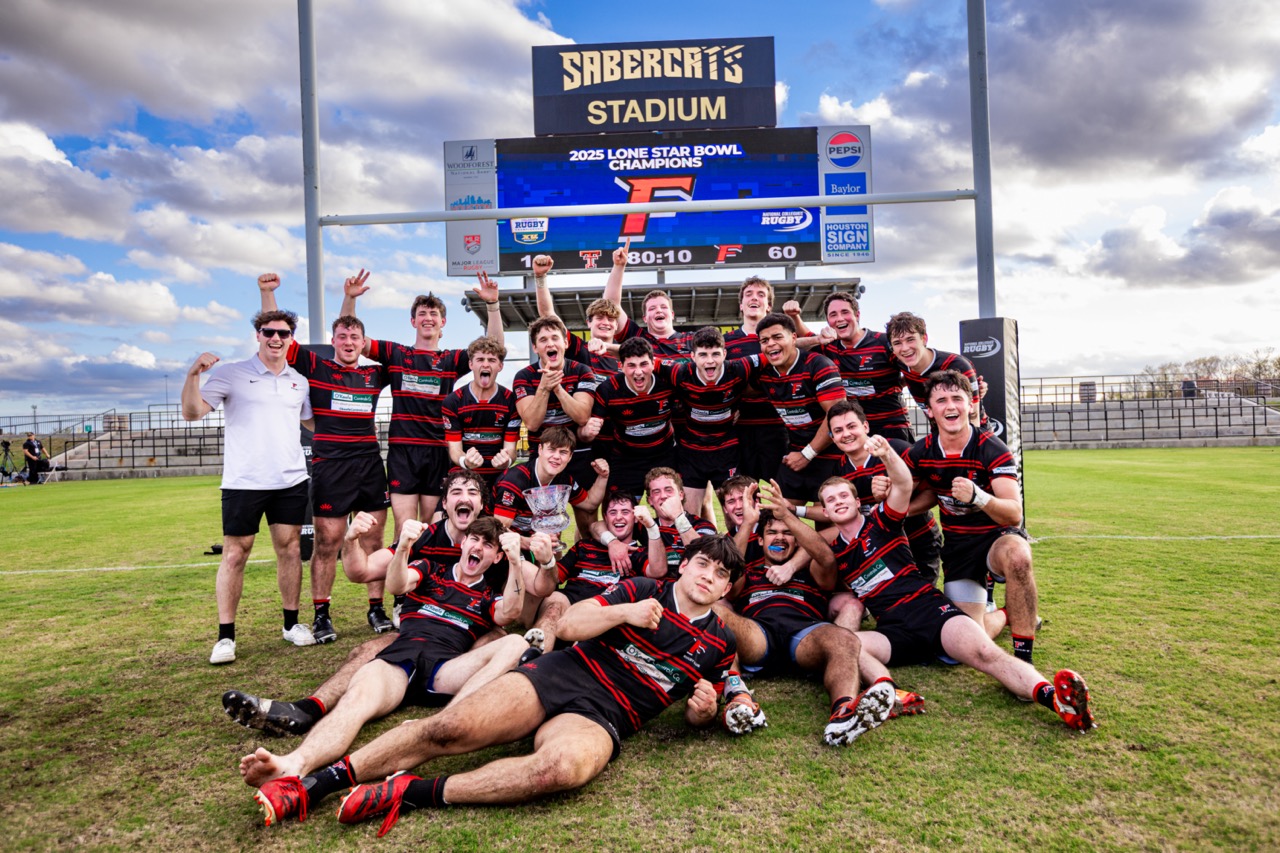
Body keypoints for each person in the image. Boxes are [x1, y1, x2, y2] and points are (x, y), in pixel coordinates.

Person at [249, 535, 765, 835]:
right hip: (562, 674)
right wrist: (625, 612)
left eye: (721, 574)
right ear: (685, 565)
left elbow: (719, 700)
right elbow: (570, 624)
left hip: (605, 717)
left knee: (562, 770)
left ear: (727, 586)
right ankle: (314, 784)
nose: (708, 576)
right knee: (447, 729)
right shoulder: (643, 588)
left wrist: (701, 712)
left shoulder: (720, 641)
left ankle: (411, 791)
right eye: (702, 564)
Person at [239, 517, 558, 816]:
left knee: (515, 643)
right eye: (474, 539)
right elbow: (397, 584)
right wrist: (404, 546)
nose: (478, 547)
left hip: (445, 668)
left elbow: (509, 613)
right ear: (463, 543)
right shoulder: (431, 568)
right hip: (400, 658)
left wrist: (515, 561)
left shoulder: (488, 594)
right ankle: (293, 765)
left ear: (496, 557)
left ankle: (444, 719)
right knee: (354, 703)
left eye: (488, 545)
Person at [818, 434, 1094, 733]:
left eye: (843, 496)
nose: (838, 502)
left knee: (986, 653)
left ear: (857, 501)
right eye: (831, 500)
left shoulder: (881, 520)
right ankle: (891, 693)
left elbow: (904, 485)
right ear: (825, 513)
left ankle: (1058, 701)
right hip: (893, 630)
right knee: (847, 644)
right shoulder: (833, 551)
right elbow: (804, 546)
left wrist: (886, 454)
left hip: (931, 613)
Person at [221, 470, 502, 735]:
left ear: (481, 505)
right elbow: (361, 571)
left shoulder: (496, 545)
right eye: (456, 492)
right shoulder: (425, 536)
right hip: (422, 627)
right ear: (445, 503)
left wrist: (530, 554)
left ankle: (449, 710)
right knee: (368, 649)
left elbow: (519, 597)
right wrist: (352, 538)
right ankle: (307, 708)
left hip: (467, 629)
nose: (464, 497)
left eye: (472, 493)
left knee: (498, 639)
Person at [260, 271, 395, 639]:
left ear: (364, 343)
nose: (348, 342)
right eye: (342, 337)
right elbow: (278, 334)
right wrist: (268, 292)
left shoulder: (375, 374)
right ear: (332, 341)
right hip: (331, 468)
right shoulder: (317, 367)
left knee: (373, 541)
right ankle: (322, 614)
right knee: (326, 543)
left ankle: (376, 608)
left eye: (355, 337)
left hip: (369, 466)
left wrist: (351, 300)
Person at [180, 306, 314, 665]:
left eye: (283, 333)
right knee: (235, 554)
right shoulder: (232, 373)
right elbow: (192, 413)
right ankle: (225, 637)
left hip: (290, 479)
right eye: (269, 332)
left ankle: (291, 624)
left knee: (290, 550)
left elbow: (314, 423)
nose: (276, 338)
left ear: (291, 338)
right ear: (258, 335)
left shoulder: (299, 381)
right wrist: (193, 375)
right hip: (244, 481)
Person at [712, 491, 894, 746]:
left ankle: (844, 713)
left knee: (844, 638)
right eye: (772, 532)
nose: (780, 538)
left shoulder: (810, 570)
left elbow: (826, 557)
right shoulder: (749, 571)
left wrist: (789, 516)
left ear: (798, 540)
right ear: (760, 540)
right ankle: (738, 696)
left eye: (788, 533)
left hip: (805, 635)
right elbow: (729, 571)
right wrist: (748, 523)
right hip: (758, 633)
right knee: (715, 613)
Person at [338, 271, 505, 541]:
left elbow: (494, 347)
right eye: (422, 313)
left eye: (434, 314)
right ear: (413, 321)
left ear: (443, 322)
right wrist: (350, 299)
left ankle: (425, 569)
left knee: (430, 528)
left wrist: (492, 305)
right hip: (403, 452)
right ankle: (401, 570)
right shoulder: (397, 354)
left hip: (437, 452)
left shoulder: (450, 360)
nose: (428, 318)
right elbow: (352, 336)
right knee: (404, 527)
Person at [902, 371, 1041, 660]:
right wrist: (885, 486)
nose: (950, 406)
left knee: (1018, 555)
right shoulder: (921, 452)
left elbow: (1014, 514)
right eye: (941, 400)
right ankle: (1008, 613)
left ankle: (1023, 658)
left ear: (970, 404)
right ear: (929, 410)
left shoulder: (992, 448)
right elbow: (909, 492)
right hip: (959, 548)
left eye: (957, 398)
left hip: (996, 538)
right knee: (961, 646)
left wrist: (978, 496)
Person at [791, 290, 914, 442]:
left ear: (857, 315)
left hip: (892, 426)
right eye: (833, 314)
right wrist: (813, 336)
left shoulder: (883, 342)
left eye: (845, 312)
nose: (840, 318)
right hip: (855, 429)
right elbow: (790, 347)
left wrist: (898, 384)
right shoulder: (828, 346)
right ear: (828, 321)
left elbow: (914, 368)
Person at [753, 312, 846, 502]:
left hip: (830, 454)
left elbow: (837, 415)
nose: (771, 344)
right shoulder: (763, 373)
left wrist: (807, 454)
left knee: (829, 514)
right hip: (795, 453)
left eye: (777, 337)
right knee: (780, 513)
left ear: (794, 338)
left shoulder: (818, 365)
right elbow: (739, 390)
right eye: (764, 340)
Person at [668, 326, 758, 515]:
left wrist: (816, 339)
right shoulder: (680, 373)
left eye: (715, 354)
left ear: (725, 354)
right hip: (691, 452)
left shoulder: (738, 369)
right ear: (692, 356)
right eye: (703, 355)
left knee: (737, 513)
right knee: (690, 516)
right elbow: (641, 359)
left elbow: (781, 349)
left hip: (726, 450)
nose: (710, 360)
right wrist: (607, 347)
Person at [580, 337, 678, 500]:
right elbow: (586, 434)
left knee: (670, 507)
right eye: (631, 365)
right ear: (621, 366)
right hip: (627, 459)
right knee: (619, 509)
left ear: (653, 364)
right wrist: (586, 432)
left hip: (664, 454)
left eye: (643, 364)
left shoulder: (668, 381)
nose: (638, 372)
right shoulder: (608, 389)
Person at [492, 425, 610, 549]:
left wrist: (603, 477)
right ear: (540, 449)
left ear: (570, 457)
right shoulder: (514, 481)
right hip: (501, 546)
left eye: (563, 452)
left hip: (532, 539)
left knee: (552, 553)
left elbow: (589, 503)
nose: (556, 456)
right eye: (552, 450)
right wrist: (532, 543)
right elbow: (499, 531)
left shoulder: (564, 479)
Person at [724, 276, 789, 482]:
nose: (754, 298)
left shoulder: (782, 341)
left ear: (768, 306)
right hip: (739, 430)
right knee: (742, 491)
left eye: (761, 294)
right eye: (749, 294)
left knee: (777, 490)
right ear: (741, 305)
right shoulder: (725, 342)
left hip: (775, 427)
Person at [441, 336, 520, 492]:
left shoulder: (511, 401)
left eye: (491, 360)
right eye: (480, 359)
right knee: (448, 504)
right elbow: (454, 450)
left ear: (500, 366)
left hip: (498, 476)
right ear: (471, 364)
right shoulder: (453, 401)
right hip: (464, 476)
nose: (485, 364)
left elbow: (511, 449)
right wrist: (465, 461)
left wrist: (507, 460)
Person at [885, 311, 985, 430]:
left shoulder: (958, 365)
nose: (905, 348)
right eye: (897, 343)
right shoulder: (900, 362)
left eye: (910, 339)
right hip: (940, 432)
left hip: (975, 432)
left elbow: (974, 416)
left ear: (924, 339)